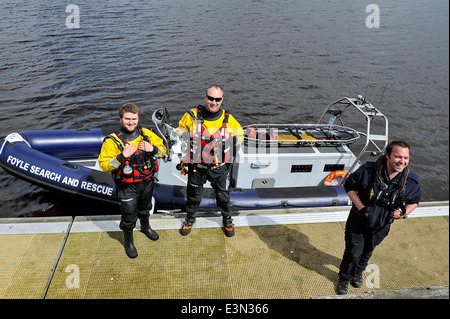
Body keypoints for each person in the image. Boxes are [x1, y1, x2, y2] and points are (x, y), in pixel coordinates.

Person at [336, 140, 421, 294]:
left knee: (369, 250)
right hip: (359, 219)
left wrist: (404, 213)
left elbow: (414, 201)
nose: (402, 161)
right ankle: (344, 278)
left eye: (405, 158)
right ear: (387, 155)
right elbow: (349, 185)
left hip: (382, 224)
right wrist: (362, 208)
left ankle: (358, 271)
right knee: (353, 251)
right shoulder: (368, 171)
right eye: (397, 157)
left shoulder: (411, 182)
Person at [98, 103, 166, 258]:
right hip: (127, 186)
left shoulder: (146, 134)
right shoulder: (112, 141)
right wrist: (122, 156)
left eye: (134, 119)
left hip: (147, 182)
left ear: (138, 118)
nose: (131, 122)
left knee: (146, 207)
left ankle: (145, 227)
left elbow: (163, 151)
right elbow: (104, 165)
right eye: (127, 119)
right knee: (129, 215)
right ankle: (128, 241)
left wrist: (152, 149)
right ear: (121, 119)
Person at [177, 85, 243, 237]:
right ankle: (190, 219)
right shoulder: (191, 115)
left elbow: (240, 136)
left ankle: (227, 219)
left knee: (223, 196)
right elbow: (178, 130)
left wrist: (230, 138)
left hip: (219, 167)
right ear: (205, 97)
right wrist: (188, 133)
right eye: (211, 98)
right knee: (194, 196)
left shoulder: (228, 119)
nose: (214, 102)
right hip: (197, 166)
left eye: (217, 99)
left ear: (222, 100)